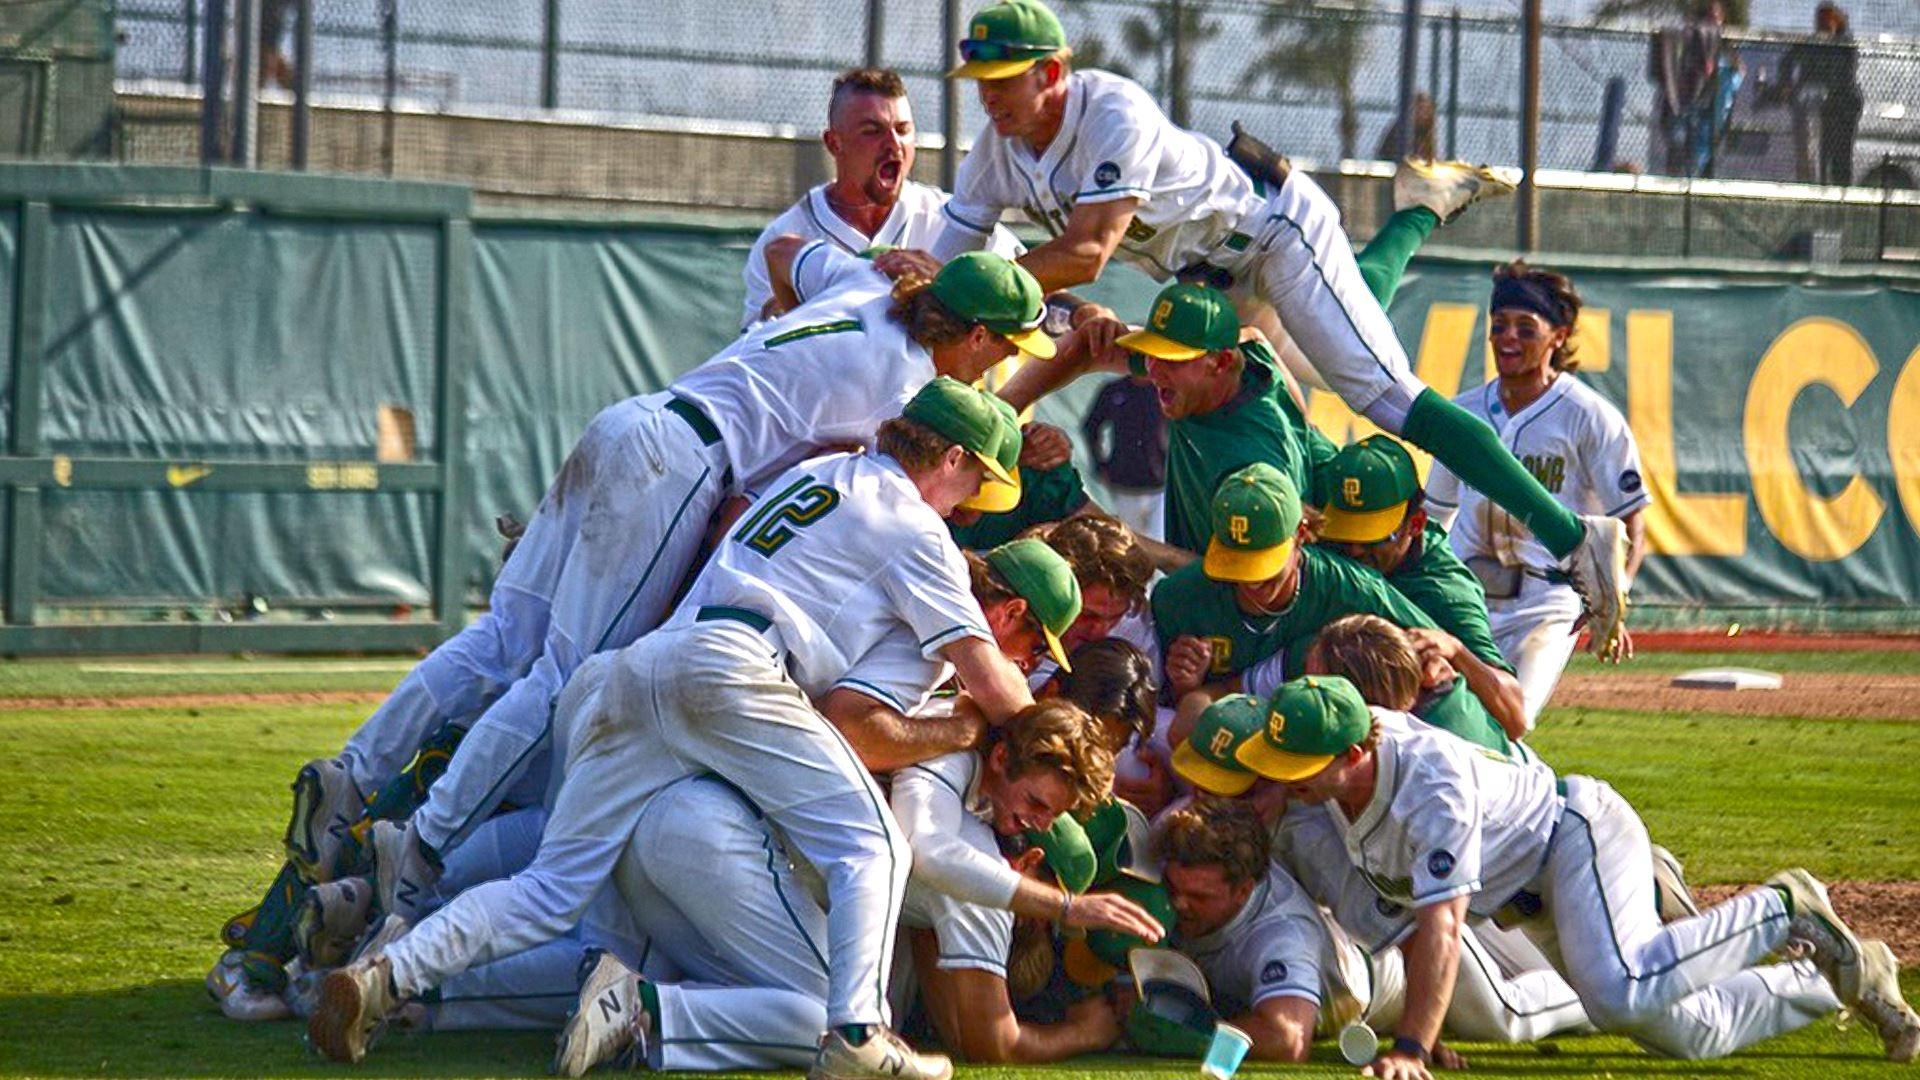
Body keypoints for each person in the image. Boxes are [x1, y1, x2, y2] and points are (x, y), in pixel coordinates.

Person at [279, 246, 1056, 957]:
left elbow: (784, 254)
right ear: (981, 337)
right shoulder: (911, 388)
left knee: (504, 638)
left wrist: (869, 276)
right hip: (686, 463)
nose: (999, 368)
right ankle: (421, 852)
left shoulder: (863, 284)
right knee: (562, 675)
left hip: (635, 420)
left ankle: (350, 772)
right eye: (1011, 349)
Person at [307, 380, 1037, 1080]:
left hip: (643, 665)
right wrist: (1038, 729)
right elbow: (988, 673)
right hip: (735, 667)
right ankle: (858, 1036)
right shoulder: (914, 526)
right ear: (952, 459)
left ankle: (386, 974)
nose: (968, 505)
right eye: (974, 484)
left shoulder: (819, 473)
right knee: (872, 844)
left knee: (552, 889)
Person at [933, 0, 1631, 658]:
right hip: (1206, 275)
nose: (989, 97)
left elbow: (1087, 251)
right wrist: (924, 283)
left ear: (1051, 73)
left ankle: (1576, 537)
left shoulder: (1110, 111)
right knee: (1336, 347)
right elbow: (948, 266)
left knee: (1386, 397)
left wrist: (975, 289)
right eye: (981, 81)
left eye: (1003, 79)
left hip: (1273, 234)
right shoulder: (998, 150)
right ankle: (1419, 207)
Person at [1240, 673, 1920, 1072]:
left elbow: (1443, 926)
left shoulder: (1430, 787)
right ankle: (1834, 976)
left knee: (1621, 991)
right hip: (1526, 890)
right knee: (1691, 1032)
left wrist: (1413, 1046)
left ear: (1359, 749)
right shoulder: (1338, 755)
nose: (1290, 781)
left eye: (1302, 769)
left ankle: (1786, 906)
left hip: (1574, 835)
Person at [1425, 262, 1648, 730]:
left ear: (1558, 336)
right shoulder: (1461, 413)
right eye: (1499, 326)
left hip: (1545, 600)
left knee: (1513, 720)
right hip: (1466, 596)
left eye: (1526, 328)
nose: (1508, 338)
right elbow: (1435, 517)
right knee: (1442, 722)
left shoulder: (1588, 415)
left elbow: (1631, 521)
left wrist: (1613, 597)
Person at [894, 700, 1165, 1063]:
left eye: (1055, 813)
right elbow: (995, 1049)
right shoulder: (947, 767)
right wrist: (1085, 1033)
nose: (1042, 825)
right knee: (830, 1036)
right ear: (1001, 757)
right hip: (797, 880)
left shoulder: (978, 816)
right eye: (1036, 803)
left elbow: (966, 1040)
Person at [740, 68, 1024, 329]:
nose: (894, 144)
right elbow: (763, 343)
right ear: (834, 143)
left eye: (903, 130)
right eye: (872, 131)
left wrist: (948, 285)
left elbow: (1030, 289)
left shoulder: (953, 219)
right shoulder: (785, 237)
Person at [1150, 463, 1437, 705]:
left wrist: (1451, 649)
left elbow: (1437, 657)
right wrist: (1182, 687)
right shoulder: (1177, 598)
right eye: (1237, 562)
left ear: (1300, 533)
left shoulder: (1354, 590)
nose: (1252, 580)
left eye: (1264, 563)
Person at [1309, 436, 1527, 738]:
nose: (1356, 550)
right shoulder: (1331, 481)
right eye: (1344, 531)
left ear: (1416, 523)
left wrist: (1457, 650)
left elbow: (1515, 718)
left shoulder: (1445, 593)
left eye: (1373, 536)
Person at [1781, 1, 1863, 185]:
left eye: (1826, 21)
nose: (1822, 26)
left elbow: (1841, 74)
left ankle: (1842, 189)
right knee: (1824, 148)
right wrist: (1788, 84)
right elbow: (1788, 59)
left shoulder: (1844, 44)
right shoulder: (1813, 43)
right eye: (1820, 21)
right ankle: (1822, 185)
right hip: (1825, 105)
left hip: (1844, 105)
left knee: (1841, 151)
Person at [1080, 374, 1168, 540]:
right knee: (1133, 542)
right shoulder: (1116, 390)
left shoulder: (1162, 391)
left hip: (1160, 485)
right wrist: (1099, 465)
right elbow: (1091, 427)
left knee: (1161, 539)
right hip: (1126, 482)